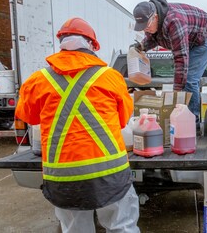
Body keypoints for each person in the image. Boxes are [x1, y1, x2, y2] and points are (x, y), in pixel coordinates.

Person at [15, 17, 140, 233]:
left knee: (74, 230)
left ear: (61, 44)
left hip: (63, 177)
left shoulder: (38, 80)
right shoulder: (110, 77)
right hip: (109, 174)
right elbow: (122, 120)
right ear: (92, 45)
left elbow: (30, 117)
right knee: (122, 227)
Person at [132, 0, 207, 129]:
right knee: (185, 79)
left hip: (205, 35)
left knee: (189, 79)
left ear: (155, 16)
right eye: (143, 27)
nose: (146, 29)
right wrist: (141, 47)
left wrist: (176, 92)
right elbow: (153, 38)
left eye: (147, 25)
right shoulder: (152, 24)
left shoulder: (175, 22)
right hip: (188, 34)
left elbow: (181, 59)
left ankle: (192, 123)